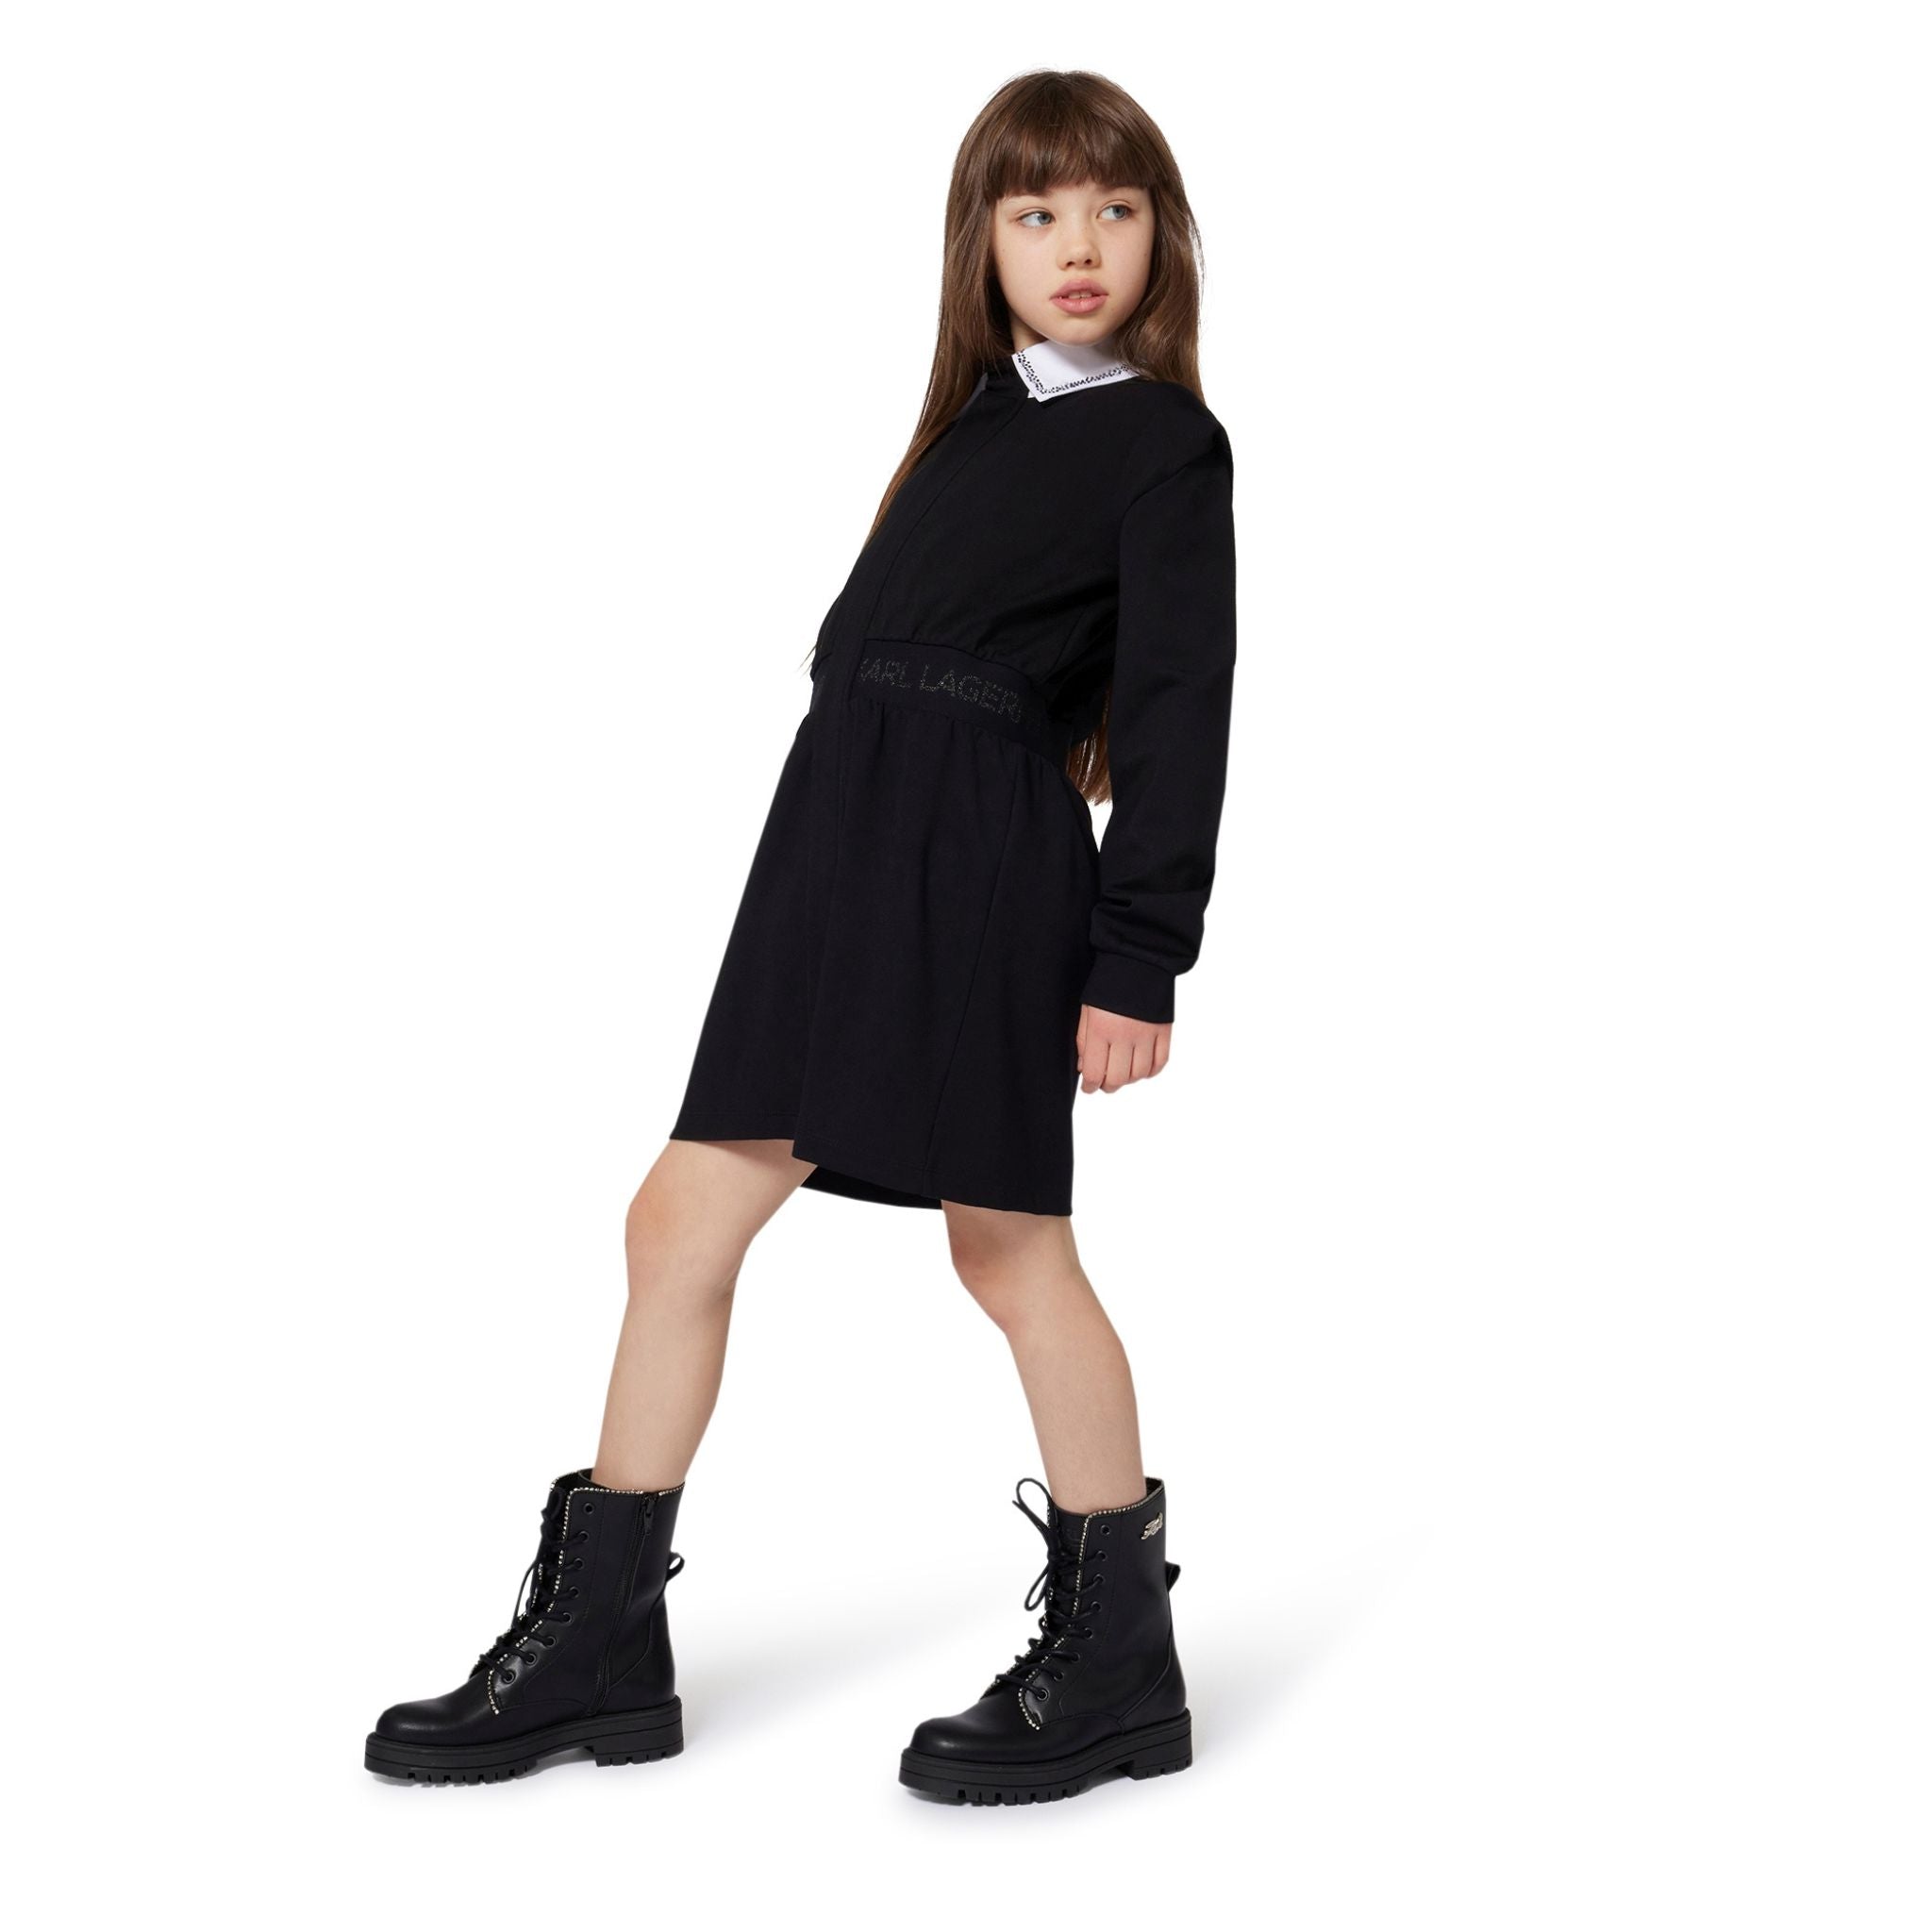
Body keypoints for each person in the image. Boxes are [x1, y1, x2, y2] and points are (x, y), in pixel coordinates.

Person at [364, 68, 1237, 1807]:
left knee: (1009, 1253)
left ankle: (1121, 1665)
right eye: (1037, 212)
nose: (1078, 243)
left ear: (1163, 239)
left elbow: (1177, 705)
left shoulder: (1162, 440)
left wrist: (1139, 950)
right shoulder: (976, 422)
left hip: (976, 865)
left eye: (1114, 209)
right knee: (677, 1214)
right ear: (981, 243)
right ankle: (601, 1643)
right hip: (836, 846)